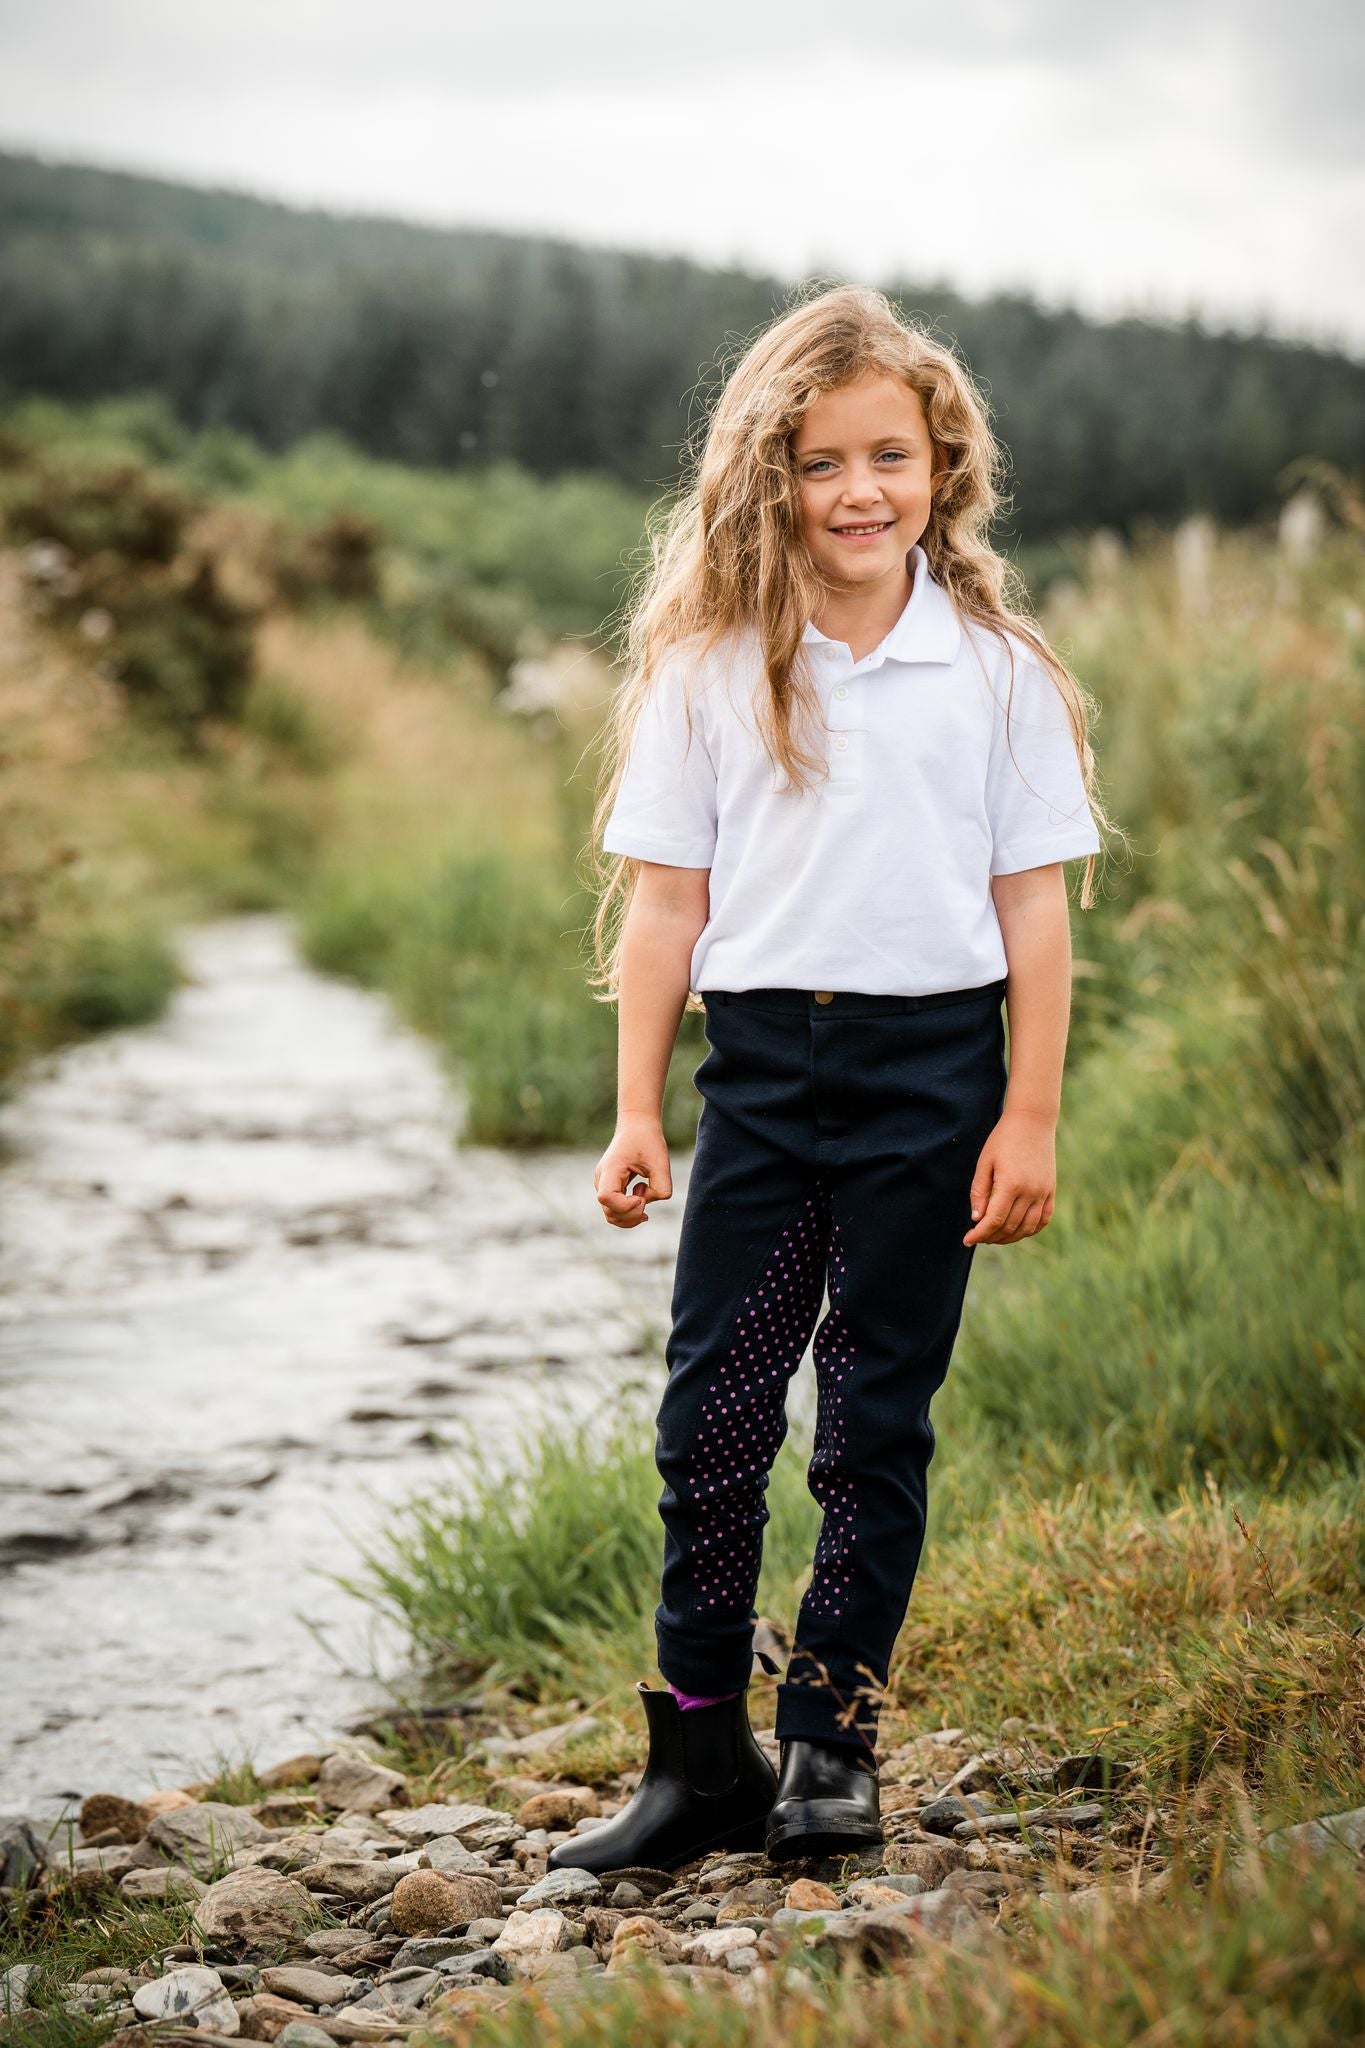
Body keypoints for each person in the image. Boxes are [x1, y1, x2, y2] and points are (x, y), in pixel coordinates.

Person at [550, 284, 1112, 1875]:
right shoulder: (708, 668)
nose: (858, 490)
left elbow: (1033, 917)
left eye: (890, 456)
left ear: (942, 469)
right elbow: (665, 908)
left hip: (934, 1076)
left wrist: (1030, 1111)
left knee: (872, 1420)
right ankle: (696, 1758)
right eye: (819, 462)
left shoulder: (996, 674)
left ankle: (830, 1749)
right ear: (762, 481)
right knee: (709, 1420)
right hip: (759, 1078)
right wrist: (639, 1106)